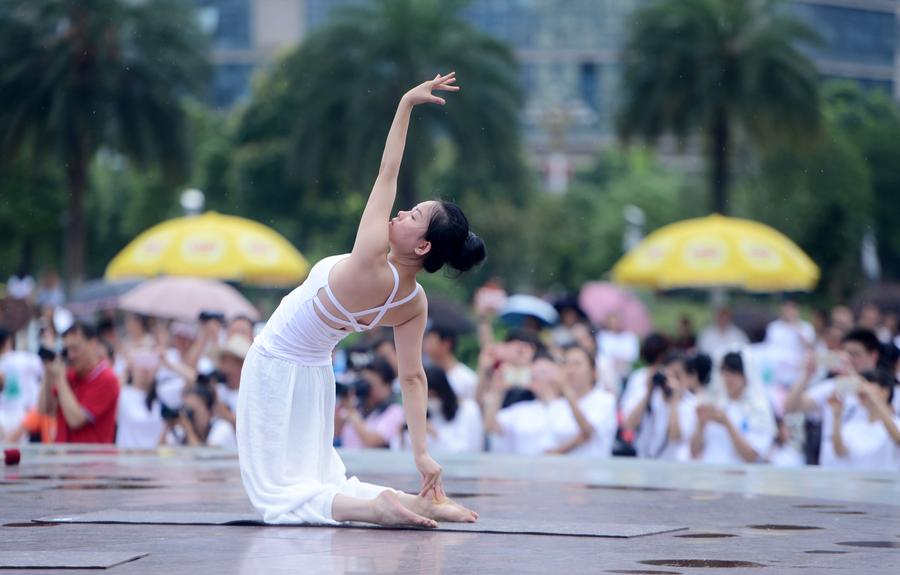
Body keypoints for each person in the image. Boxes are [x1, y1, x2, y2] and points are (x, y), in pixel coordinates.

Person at [237, 73, 481, 528]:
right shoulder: (414, 301)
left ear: (423, 246)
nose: (402, 212)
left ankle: (375, 509)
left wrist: (406, 104)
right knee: (318, 477)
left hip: (274, 362)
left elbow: (388, 170)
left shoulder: (369, 258)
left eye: (415, 216)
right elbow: (412, 378)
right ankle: (419, 501)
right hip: (315, 374)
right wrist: (422, 454)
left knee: (273, 495)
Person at [784, 328, 881, 467]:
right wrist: (806, 374)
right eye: (846, 354)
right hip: (831, 469)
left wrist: (851, 373)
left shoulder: (885, 386)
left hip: (866, 471)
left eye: (855, 354)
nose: (850, 359)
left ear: (873, 356)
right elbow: (791, 407)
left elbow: (869, 394)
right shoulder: (833, 386)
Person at [37, 323, 120, 444]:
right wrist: (49, 371)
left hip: (93, 460)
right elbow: (45, 409)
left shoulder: (107, 379)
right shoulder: (70, 375)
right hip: (65, 459)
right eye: (67, 350)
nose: (70, 355)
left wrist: (60, 378)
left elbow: (76, 420)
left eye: (75, 348)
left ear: (93, 344)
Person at [690, 350, 776, 465]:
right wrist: (700, 423)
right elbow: (694, 450)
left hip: (741, 479)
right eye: (725, 372)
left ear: (746, 375)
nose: (728, 378)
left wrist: (727, 423)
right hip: (710, 476)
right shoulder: (716, 405)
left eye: (734, 373)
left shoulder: (759, 409)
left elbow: (751, 456)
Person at [623, 353, 698, 462]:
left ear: (688, 378)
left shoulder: (691, 404)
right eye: (668, 375)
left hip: (675, 468)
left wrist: (674, 400)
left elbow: (674, 436)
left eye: (677, 376)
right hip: (644, 463)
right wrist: (648, 391)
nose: (670, 381)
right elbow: (628, 425)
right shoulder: (650, 396)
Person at [545, 346, 617, 457]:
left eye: (577, 364)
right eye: (566, 364)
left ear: (594, 372)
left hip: (593, 471)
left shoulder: (605, 400)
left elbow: (588, 431)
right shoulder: (556, 405)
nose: (570, 370)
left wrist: (566, 391)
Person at [482, 356, 560, 455]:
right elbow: (490, 426)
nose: (537, 376)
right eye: (533, 374)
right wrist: (497, 391)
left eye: (543, 372)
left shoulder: (570, 407)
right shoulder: (521, 410)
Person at [827, 370, 900, 471]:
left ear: (884, 391)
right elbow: (840, 451)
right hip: (857, 485)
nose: (862, 388)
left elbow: (897, 438)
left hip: (887, 485)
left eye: (869, 383)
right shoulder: (854, 425)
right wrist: (837, 415)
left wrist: (873, 396)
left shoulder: (896, 422)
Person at [401, 366, 483, 454]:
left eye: (434, 396)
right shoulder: (422, 415)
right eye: (427, 397)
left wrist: (436, 434)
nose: (431, 401)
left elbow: (469, 449)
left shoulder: (468, 410)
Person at [337, 358, 405, 449]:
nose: (367, 387)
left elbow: (372, 441)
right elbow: (334, 432)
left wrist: (351, 412)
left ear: (386, 386)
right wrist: (343, 400)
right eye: (364, 382)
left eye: (371, 384)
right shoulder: (356, 408)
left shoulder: (395, 411)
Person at [0, 326, 43, 443]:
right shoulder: (25, 358)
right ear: (8, 341)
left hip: (5, 420)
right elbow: (44, 370)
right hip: (25, 418)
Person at [423, 324, 478, 401]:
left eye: (430, 342)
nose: (426, 348)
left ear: (446, 344)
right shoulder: (427, 376)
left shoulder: (467, 379)